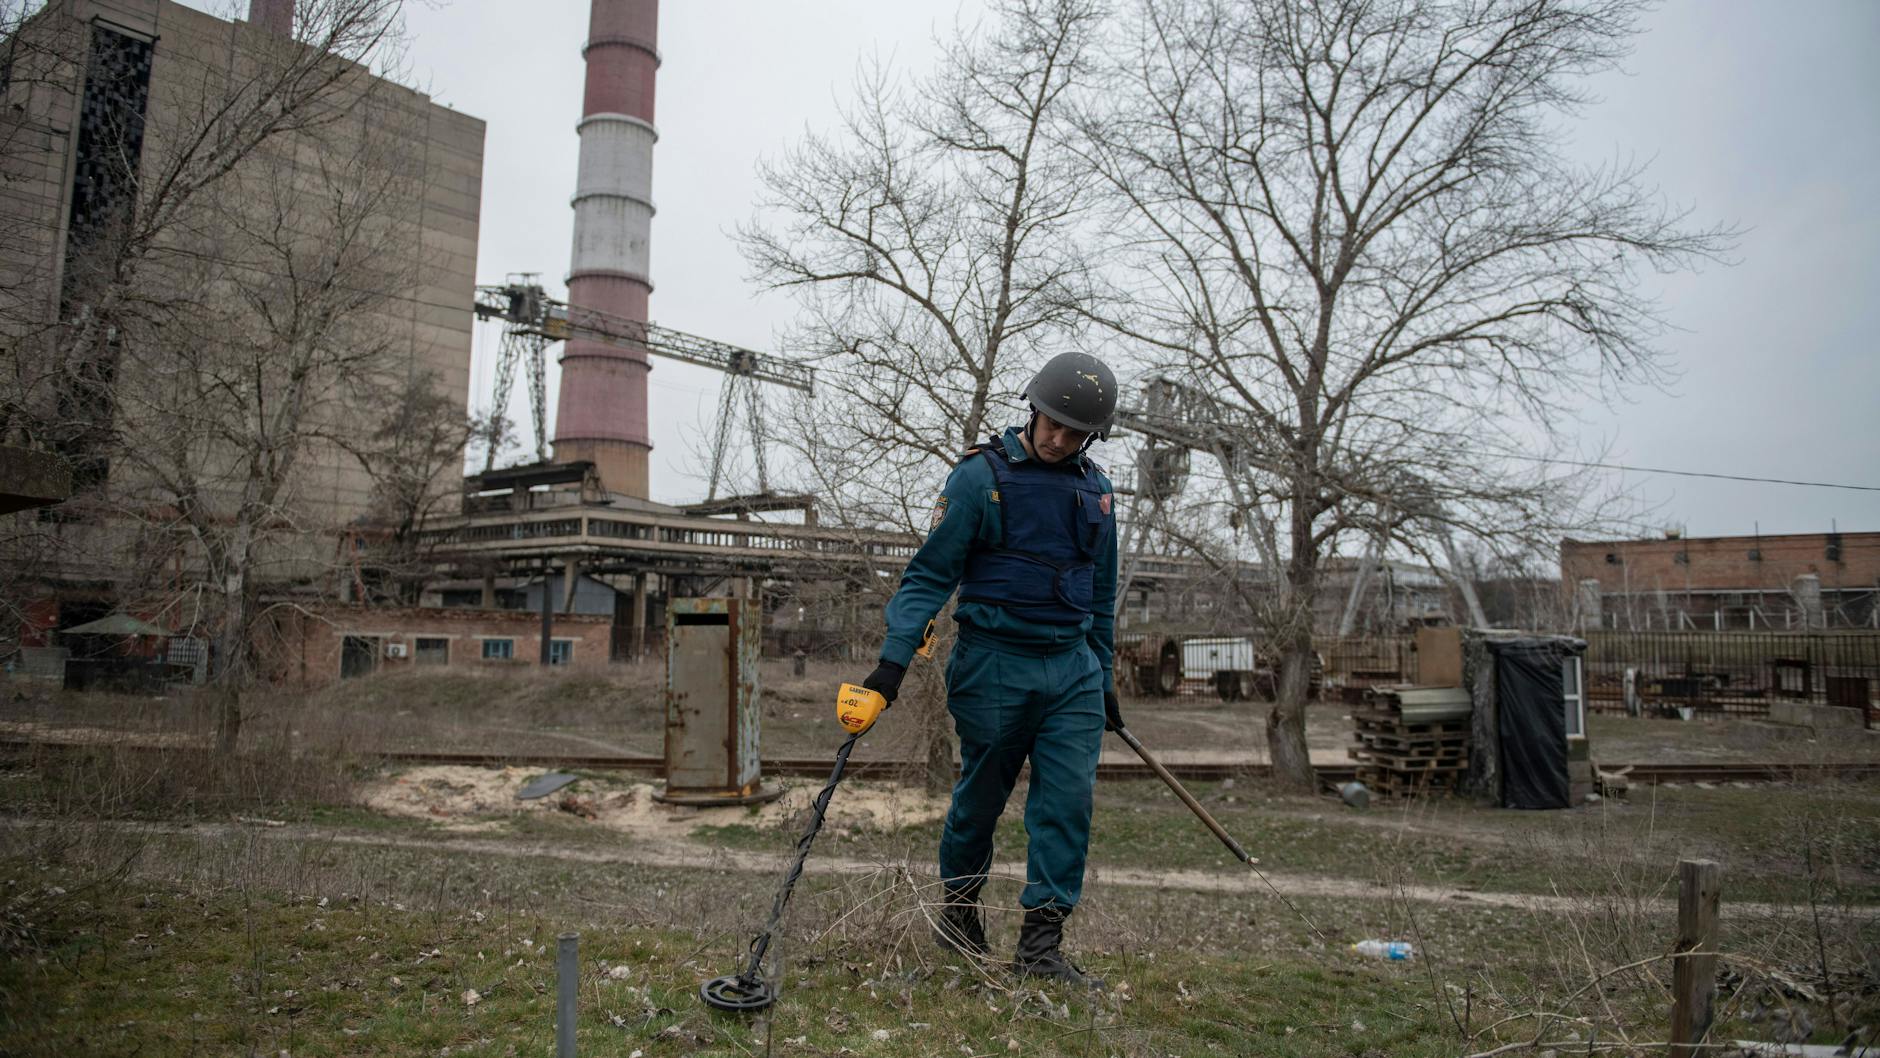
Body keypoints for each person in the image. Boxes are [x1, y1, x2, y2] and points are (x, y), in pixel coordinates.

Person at [859, 351, 1123, 988]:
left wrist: (1104, 674)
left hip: (1072, 669)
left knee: (1067, 806)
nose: (1059, 439)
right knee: (979, 803)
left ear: (1092, 436)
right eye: (1053, 423)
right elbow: (928, 578)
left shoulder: (1098, 492)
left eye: (1075, 431)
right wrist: (890, 667)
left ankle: (1040, 946)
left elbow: (1101, 594)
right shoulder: (981, 479)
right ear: (1033, 409)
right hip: (994, 665)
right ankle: (957, 915)